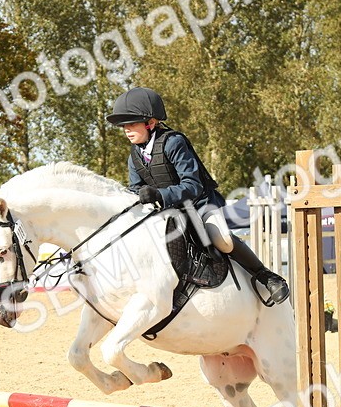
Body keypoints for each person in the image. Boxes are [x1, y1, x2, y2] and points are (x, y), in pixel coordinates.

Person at [106, 87, 289, 305]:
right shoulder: (135, 155)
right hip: (167, 212)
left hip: (200, 205)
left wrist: (159, 194)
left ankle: (267, 277)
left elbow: (192, 185)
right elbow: (136, 188)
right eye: (124, 126)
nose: (127, 130)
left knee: (222, 239)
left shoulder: (174, 142)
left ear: (150, 123)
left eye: (132, 124)